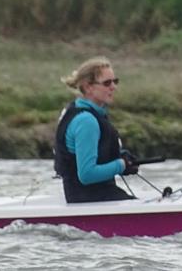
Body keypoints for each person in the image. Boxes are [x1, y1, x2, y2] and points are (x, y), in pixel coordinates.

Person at [54, 57, 138, 203]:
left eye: (115, 81)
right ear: (88, 87)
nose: (113, 87)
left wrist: (118, 159)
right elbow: (87, 174)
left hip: (93, 199)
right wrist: (121, 165)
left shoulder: (79, 111)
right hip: (91, 201)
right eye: (107, 83)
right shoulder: (86, 121)